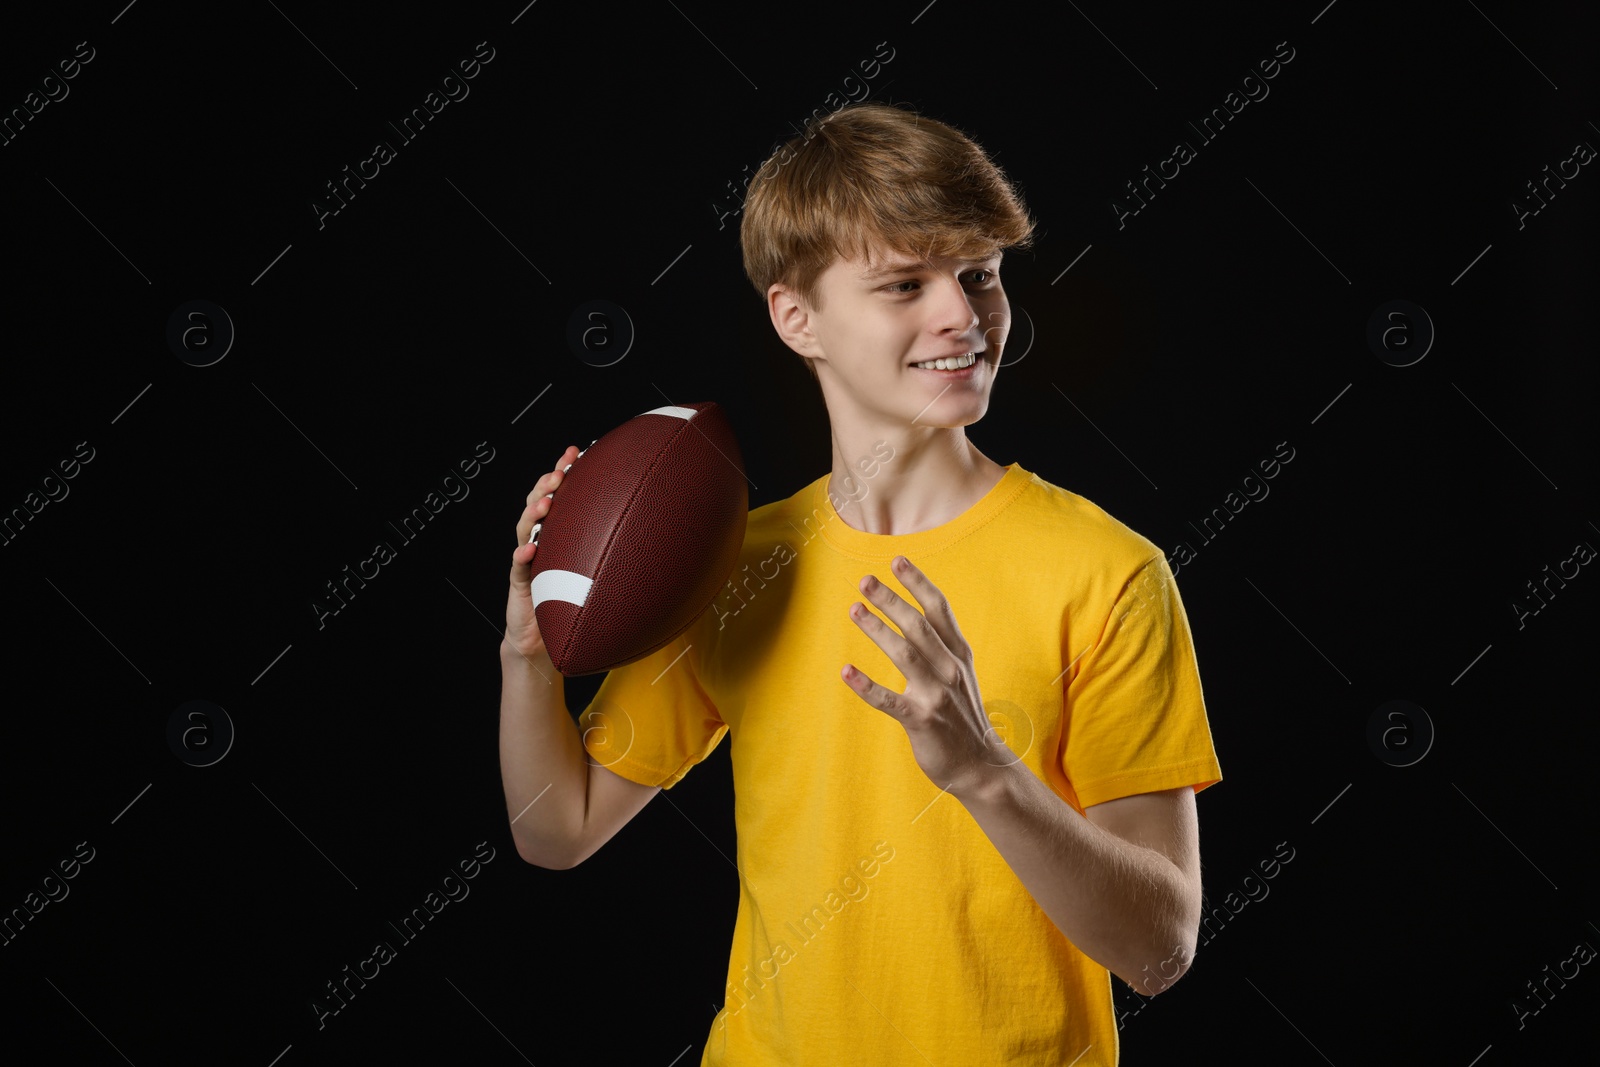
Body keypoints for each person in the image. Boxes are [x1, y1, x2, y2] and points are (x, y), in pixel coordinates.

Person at [499, 101, 1222, 1065]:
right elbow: (559, 829)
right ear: (798, 317)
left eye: (979, 276)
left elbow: (1161, 948)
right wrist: (529, 657)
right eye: (904, 284)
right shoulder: (735, 566)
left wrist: (983, 770)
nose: (962, 314)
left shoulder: (1107, 573)